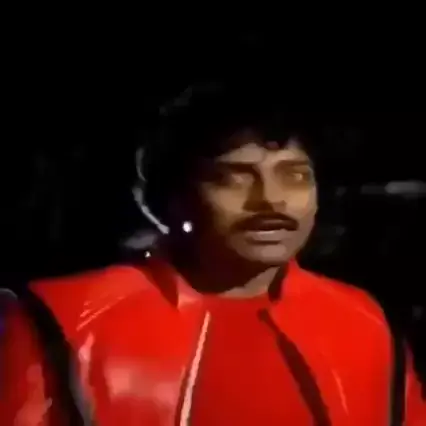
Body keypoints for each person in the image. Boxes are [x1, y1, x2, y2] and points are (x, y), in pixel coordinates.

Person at [1, 79, 425, 426]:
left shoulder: (366, 323)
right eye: (234, 178)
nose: (270, 200)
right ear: (174, 198)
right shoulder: (61, 320)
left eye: (295, 176)